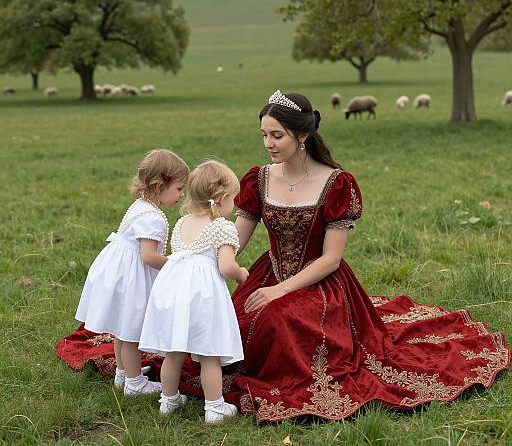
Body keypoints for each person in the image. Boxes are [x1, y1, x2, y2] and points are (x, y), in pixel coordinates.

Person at [177, 90, 510, 423]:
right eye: (264, 135)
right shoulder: (259, 179)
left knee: (277, 319)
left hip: (321, 283)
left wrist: (280, 291)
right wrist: (198, 258)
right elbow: (235, 239)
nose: (268, 143)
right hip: (269, 273)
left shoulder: (336, 184)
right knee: (228, 320)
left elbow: (331, 259)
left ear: (303, 134)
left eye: (277, 135)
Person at [139, 160, 248, 423]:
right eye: (234, 199)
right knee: (210, 353)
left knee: (174, 352)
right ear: (222, 198)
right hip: (203, 295)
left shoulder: (183, 223)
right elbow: (225, 266)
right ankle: (214, 407)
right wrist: (240, 273)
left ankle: (168, 400)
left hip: (175, 290)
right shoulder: (222, 226)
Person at [73, 149, 189, 396]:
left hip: (120, 271)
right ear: (160, 185)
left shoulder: (140, 205)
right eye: (179, 188)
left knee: (121, 328)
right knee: (132, 332)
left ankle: (123, 373)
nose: (182, 195)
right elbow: (148, 256)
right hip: (132, 276)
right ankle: (135, 384)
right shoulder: (154, 218)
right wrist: (175, 264)